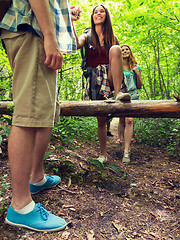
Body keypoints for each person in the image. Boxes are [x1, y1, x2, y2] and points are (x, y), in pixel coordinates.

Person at [0, 0, 78, 232]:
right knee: (29, 114)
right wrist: (50, 37)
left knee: (43, 111)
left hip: (32, 28)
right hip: (31, 30)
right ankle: (20, 206)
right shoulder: (36, 32)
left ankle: (36, 178)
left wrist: (62, 18)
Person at [72, 4, 131, 164]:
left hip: (112, 77)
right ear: (92, 16)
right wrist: (72, 22)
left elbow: (118, 59)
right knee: (101, 120)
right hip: (95, 79)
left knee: (116, 49)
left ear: (106, 16)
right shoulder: (87, 35)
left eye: (102, 12)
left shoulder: (112, 37)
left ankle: (118, 94)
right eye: (95, 12)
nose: (98, 14)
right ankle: (103, 154)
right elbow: (76, 44)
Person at [116, 44, 142, 163]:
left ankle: (126, 151)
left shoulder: (135, 66)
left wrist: (137, 73)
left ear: (130, 52)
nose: (125, 51)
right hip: (122, 96)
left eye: (127, 49)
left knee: (129, 120)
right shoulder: (117, 66)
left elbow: (140, 86)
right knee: (122, 119)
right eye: (122, 50)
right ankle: (120, 139)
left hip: (134, 96)